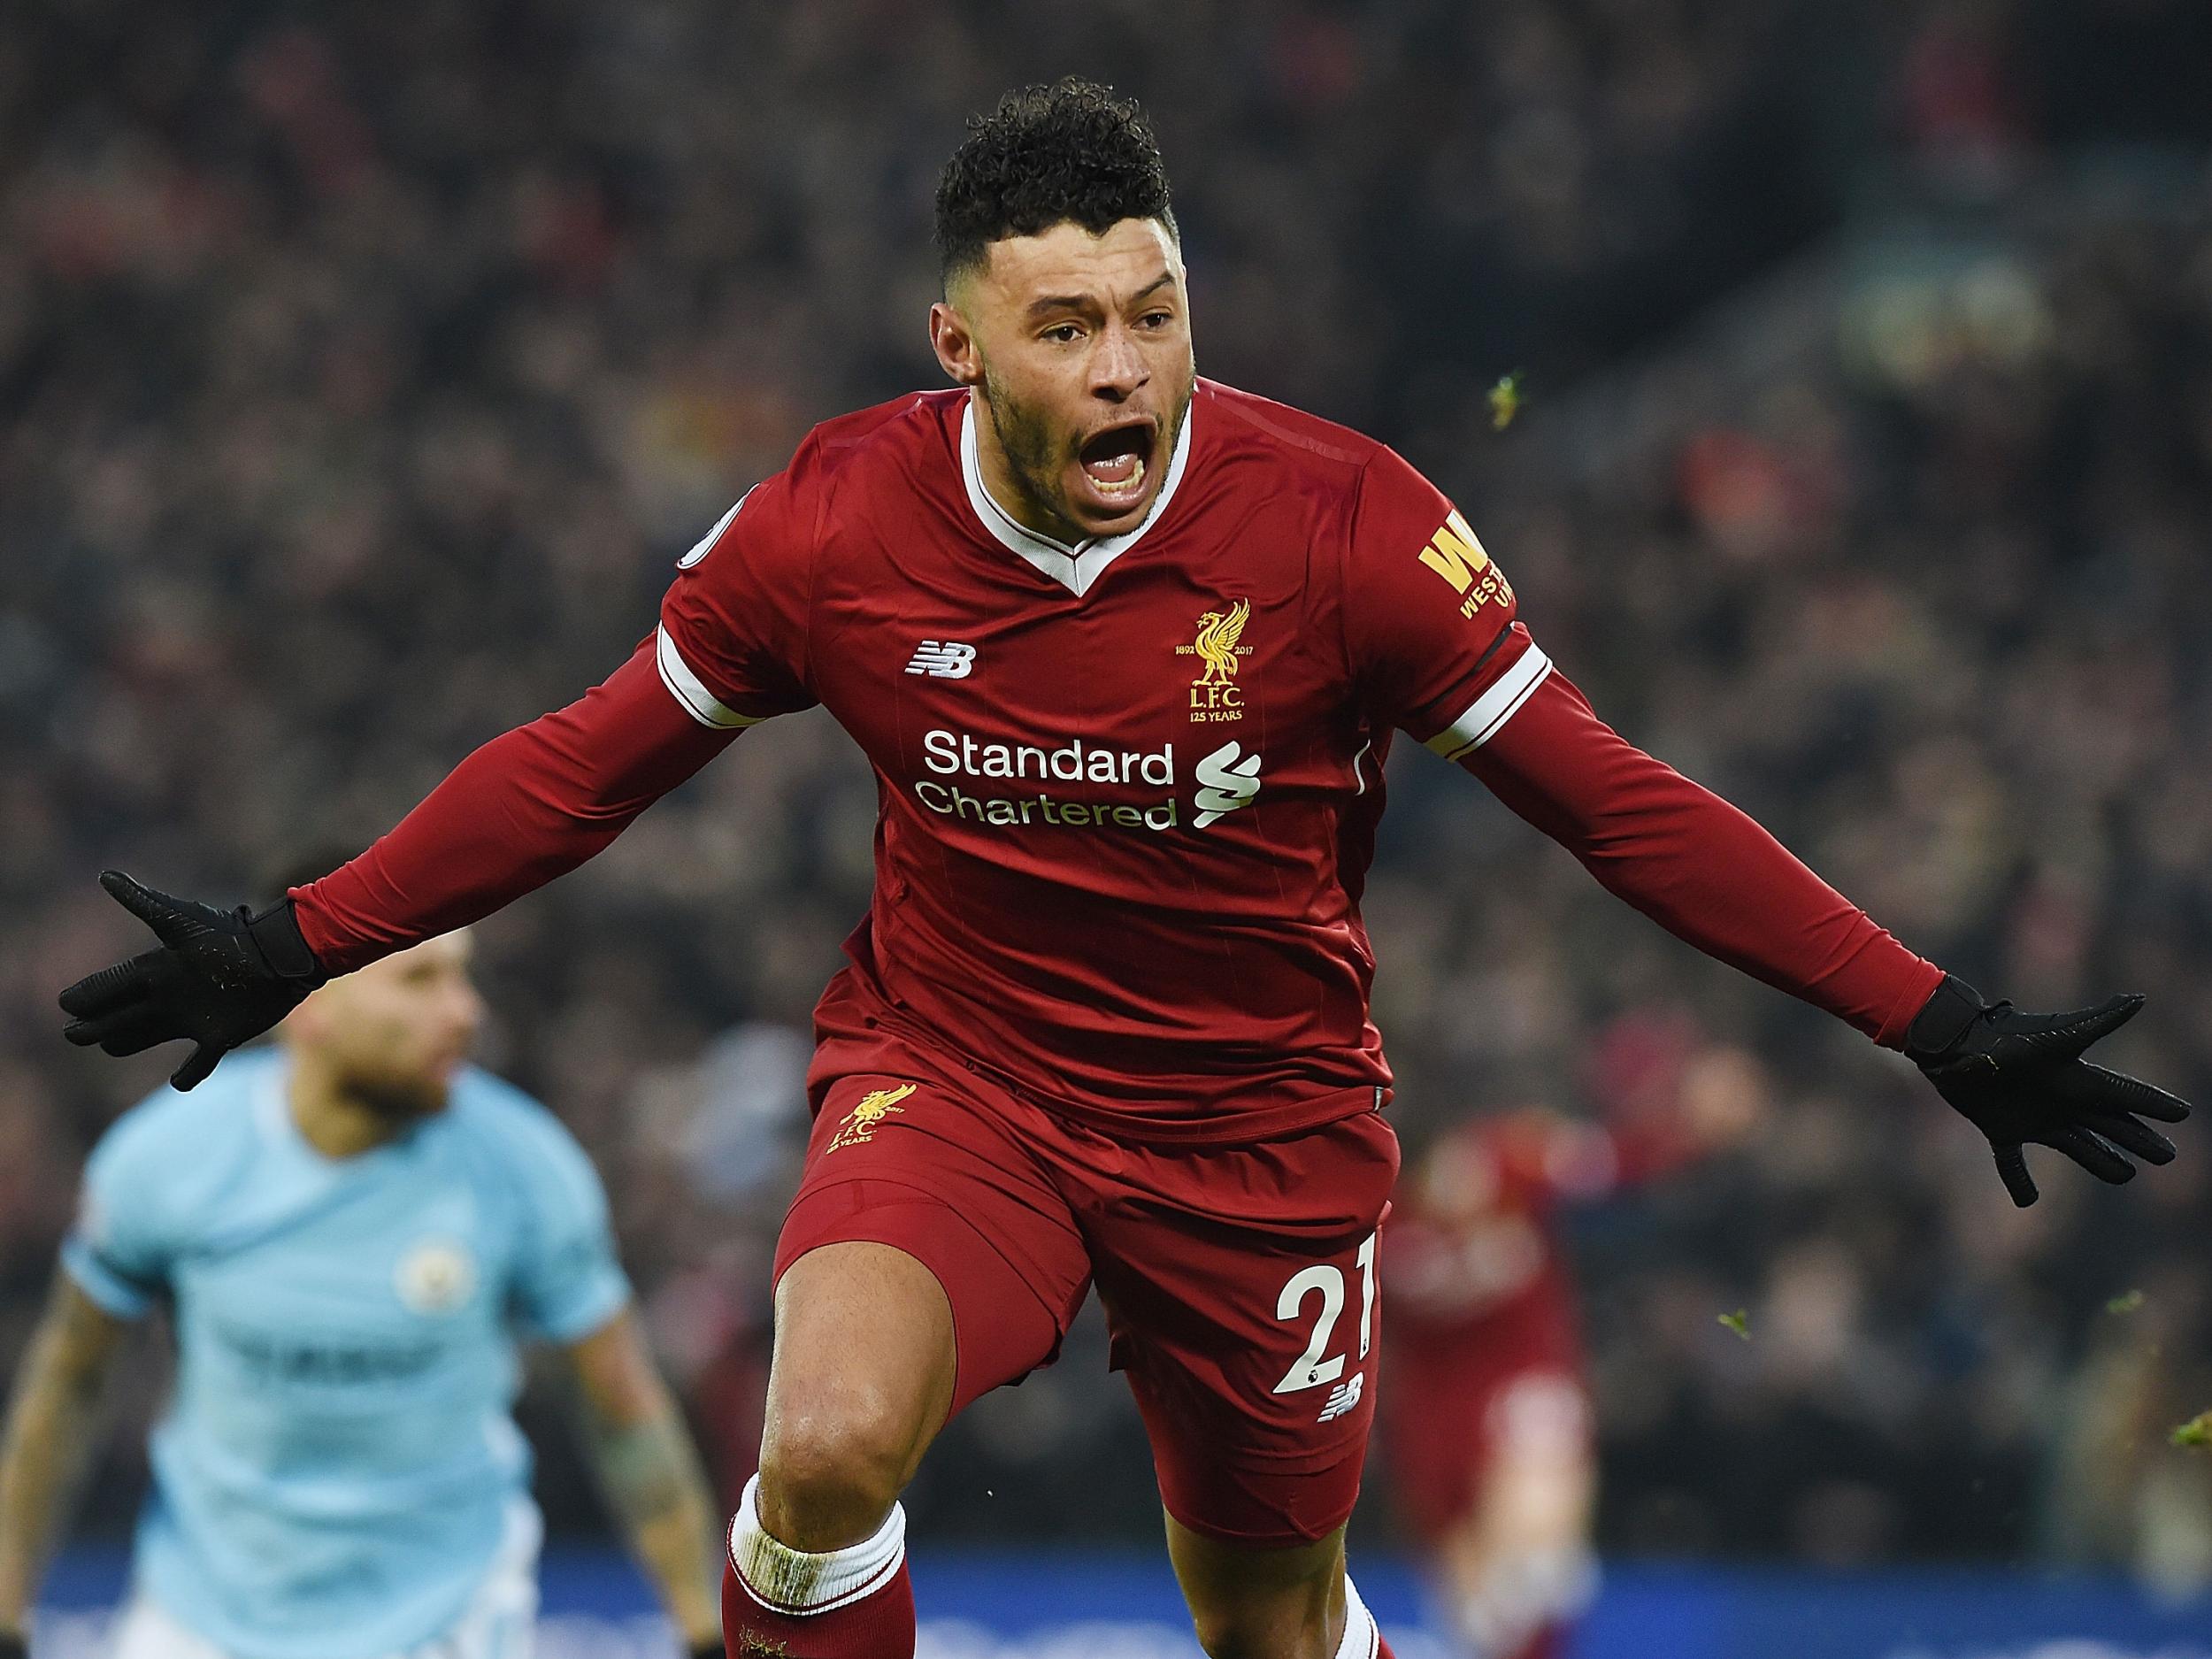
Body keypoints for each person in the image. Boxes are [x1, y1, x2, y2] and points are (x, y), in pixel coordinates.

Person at [54, 80, 2190, 1659]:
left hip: (1256, 1129)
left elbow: (1613, 800)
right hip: (956, 1083)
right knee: (816, 1452)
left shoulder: (1345, 527)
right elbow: (582, 764)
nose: (1122, 371)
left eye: (1154, 315)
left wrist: (1932, 1017)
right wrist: (298, 939)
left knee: (1269, 1620)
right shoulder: (829, 527)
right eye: (1067, 325)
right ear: (958, 346)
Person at [6, 906, 726, 1659]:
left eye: (463, 977)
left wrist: (703, 1629)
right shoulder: (167, 1157)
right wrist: (6, 1605)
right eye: (420, 980)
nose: (465, 1011)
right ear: (309, 1007)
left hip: (448, 1620)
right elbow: (70, 1380)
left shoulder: (524, 1165)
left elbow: (623, 1412)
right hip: (201, 1621)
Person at [1380, 1023, 1765, 1659]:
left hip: (1526, 1381)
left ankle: (1547, 1576)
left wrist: (1691, 1130)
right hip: (1428, 1416)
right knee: (1482, 1621)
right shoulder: (1369, 1214)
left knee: (1536, 1559)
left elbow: (1613, 1162)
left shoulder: (1513, 1156)